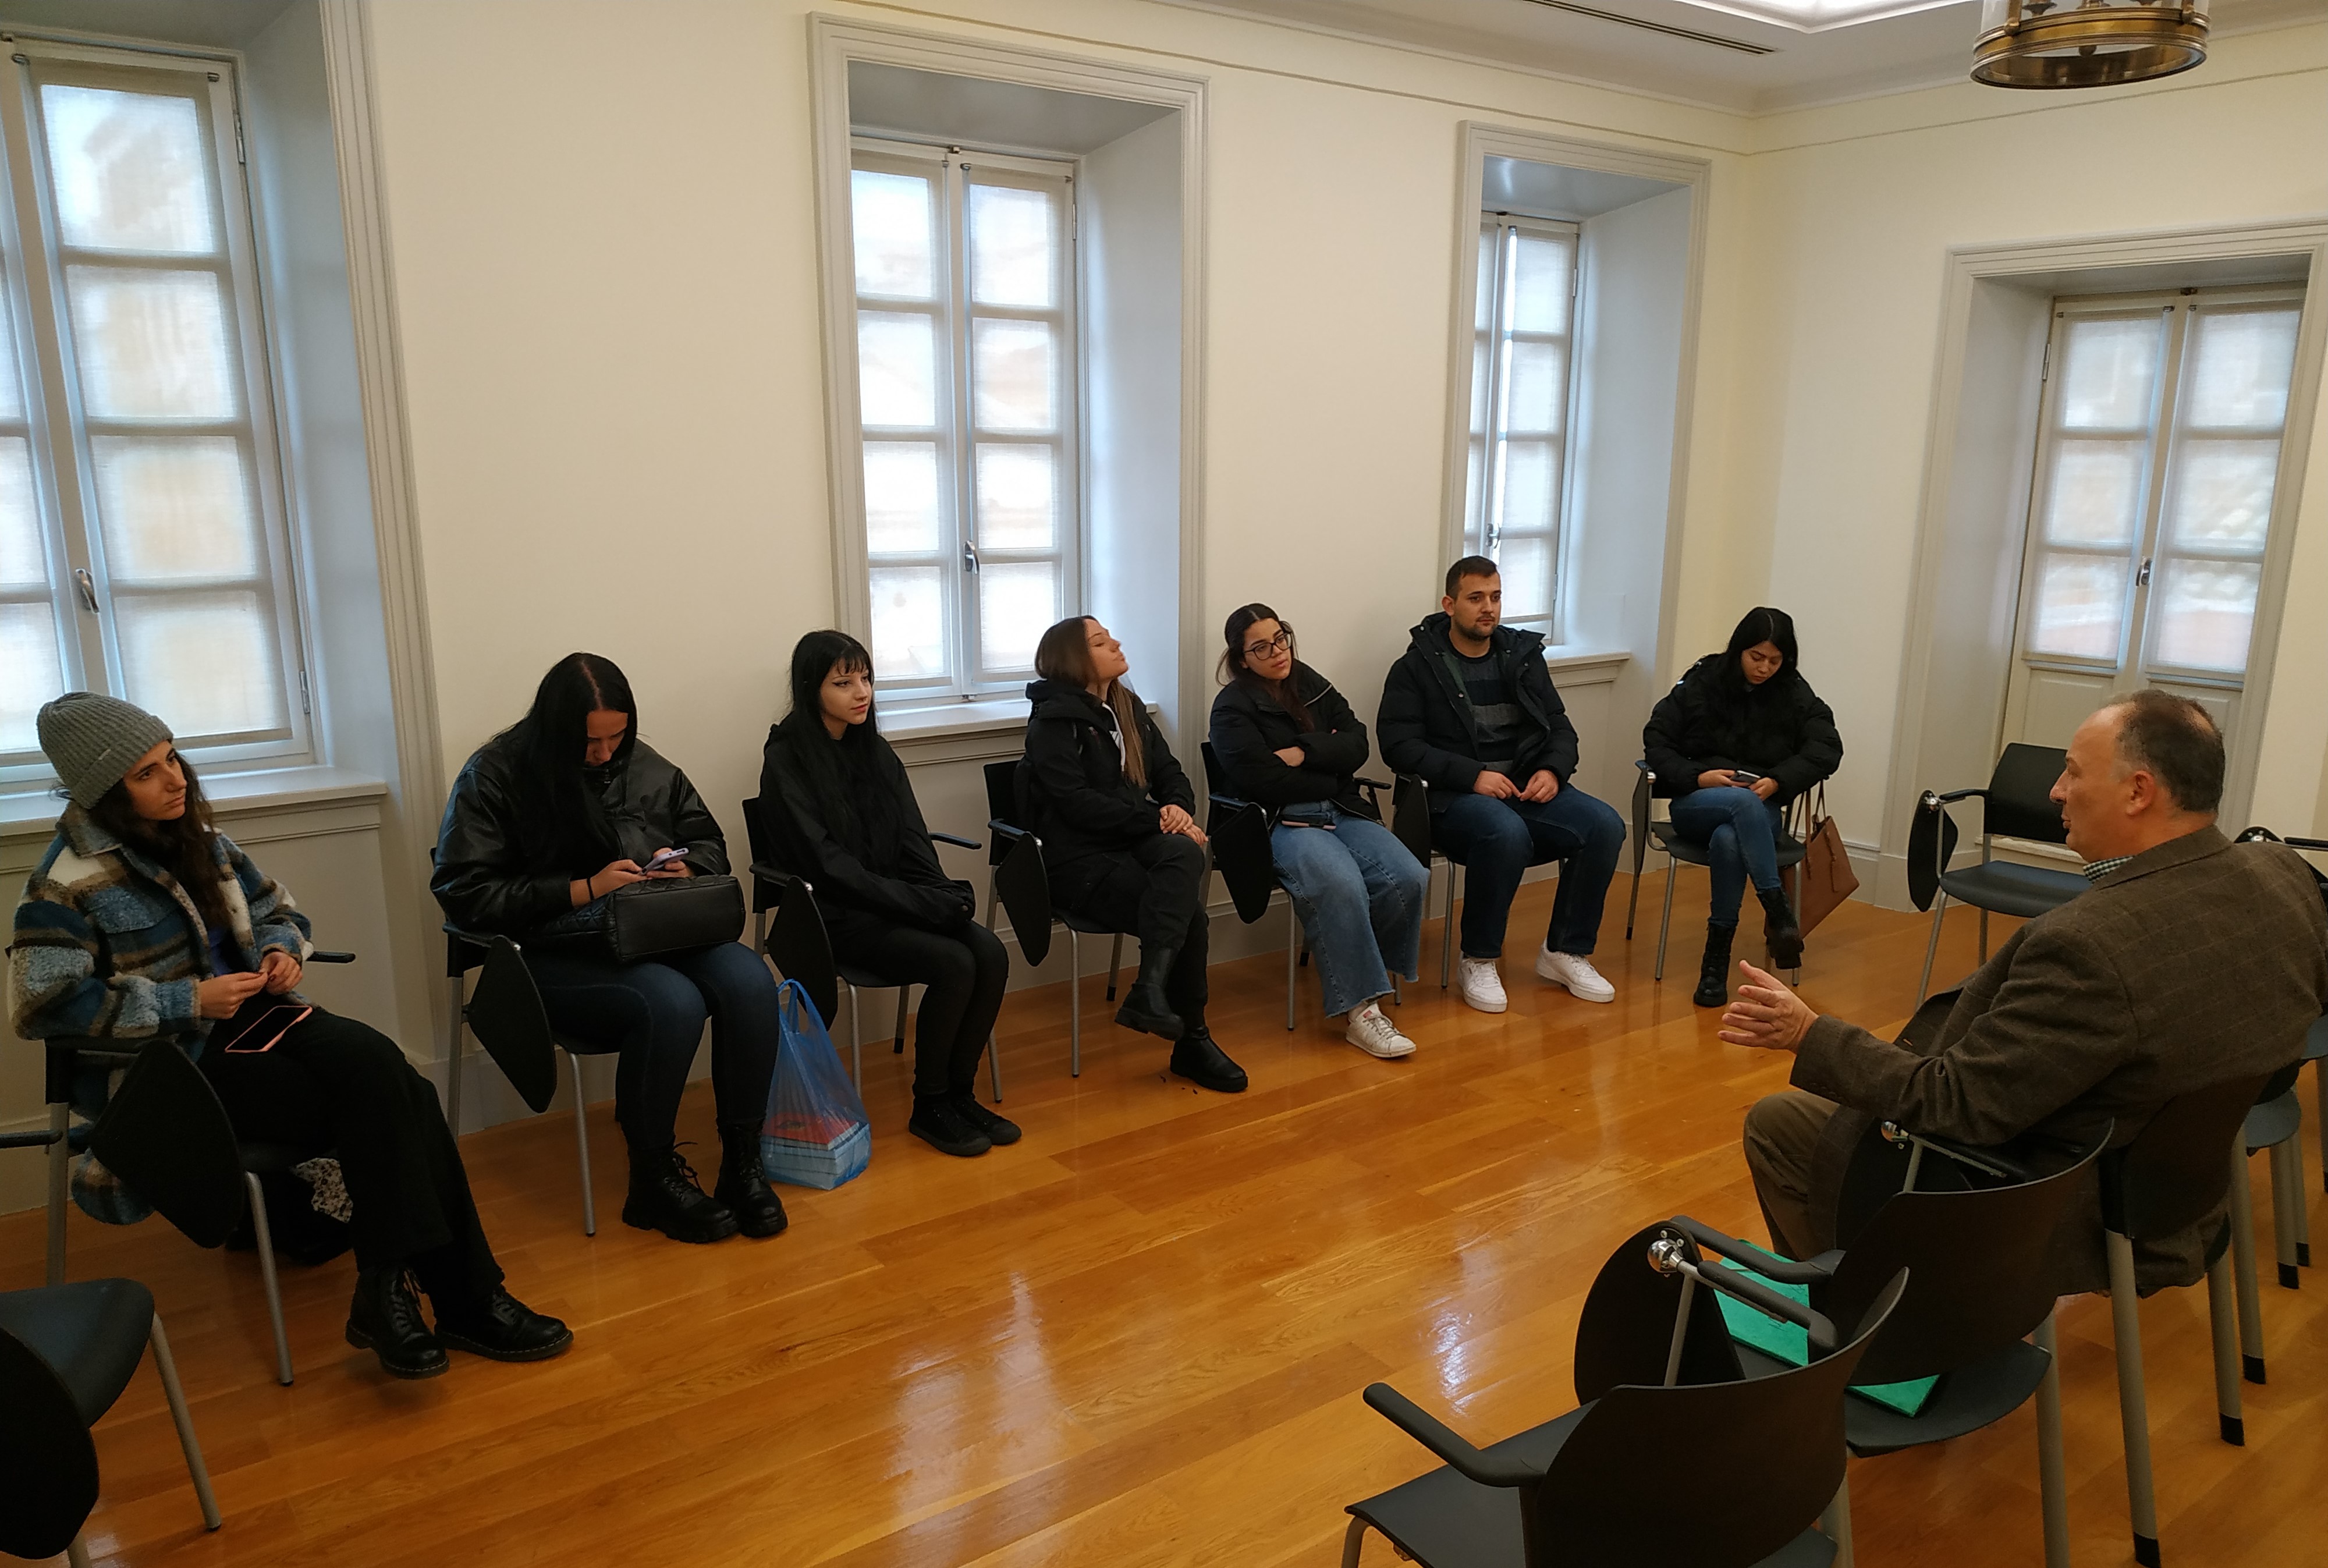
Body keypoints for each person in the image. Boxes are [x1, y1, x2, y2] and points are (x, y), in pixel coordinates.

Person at [10, 694, 570, 1379]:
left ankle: (391, 1292)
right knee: (403, 1095)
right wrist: (188, 999)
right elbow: (47, 1005)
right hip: (175, 1065)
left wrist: (284, 953)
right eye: (147, 774)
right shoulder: (62, 885)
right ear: (104, 795)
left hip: (261, 1022)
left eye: (171, 759)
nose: (176, 779)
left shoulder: (202, 841)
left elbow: (278, 909)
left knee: (385, 1072)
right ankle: (464, 1299)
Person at [1725, 691, 2328, 1294]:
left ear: (2138, 791)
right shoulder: (2283, 875)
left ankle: (1871, 1330)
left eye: (2073, 771)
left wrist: (1808, 1033)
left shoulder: (2091, 947)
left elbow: (1958, 1104)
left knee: (1781, 1125)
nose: (2055, 791)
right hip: (2185, 1190)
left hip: (2056, 1202)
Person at [433, 652, 788, 1246]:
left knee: (750, 980)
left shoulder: (643, 765)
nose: (603, 754)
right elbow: (464, 893)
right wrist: (585, 888)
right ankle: (652, 1181)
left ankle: (742, 1163)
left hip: (653, 932)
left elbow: (707, 839)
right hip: (549, 953)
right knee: (670, 1002)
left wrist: (688, 868)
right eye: (588, 742)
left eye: (616, 738)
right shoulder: (494, 774)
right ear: (554, 728)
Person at [760, 631, 1016, 1158]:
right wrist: (920, 904)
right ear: (813, 688)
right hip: (835, 916)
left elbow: (911, 838)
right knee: (953, 963)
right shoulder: (786, 761)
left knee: (989, 951)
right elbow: (827, 866)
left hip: (895, 902)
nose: (862, 692)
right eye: (844, 682)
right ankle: (931, 1104)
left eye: (867, 678)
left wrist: (939, 894)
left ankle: (960, 1096)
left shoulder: (874, 750)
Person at [1376, 557, 1627, 1015]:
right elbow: (1399, 746)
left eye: (1495, 597)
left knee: (1605, 825)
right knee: (1504, 832)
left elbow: (1560, 728)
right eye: (1476, 599)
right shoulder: (1416, 668)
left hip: (1524, 789)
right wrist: (1472, 775)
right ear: (1450, 604)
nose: (1488, 609)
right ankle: (1479, 957)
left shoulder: (1522, 658)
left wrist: (1552, 771)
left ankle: (1565, 950)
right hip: (1450, 800)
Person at [1023, 616, 1248, 1093]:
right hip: (1076, 863)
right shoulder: (1053, 724)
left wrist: (1179, 810)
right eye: (1101, 642)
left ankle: (1151, 991)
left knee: (1185, 855)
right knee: (1191, 916)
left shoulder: (1127, 707)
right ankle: (1190, 1038)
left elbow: (1171, 772)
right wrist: (1157, 821)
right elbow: (1076, 805)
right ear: (1074, 660)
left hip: (1129, 845)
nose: (1117, 643)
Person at [1210, 604, 1428, 1059]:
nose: (1277, 652)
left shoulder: (1310, 682)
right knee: (1340, 883)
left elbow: (1357, 742)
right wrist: (1330, 767)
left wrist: (1303, 752)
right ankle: (1362, 1013)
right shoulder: (1231, 708)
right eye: (1261, 647)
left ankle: (1365, 978)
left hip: (1342, 809)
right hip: (1279, 820)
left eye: (1281, 638)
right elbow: (1261, 779)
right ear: (1242, 658)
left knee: (1410, 875)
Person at [1642, 606, 1843, 1008]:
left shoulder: (1793, 691)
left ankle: (1715, 961)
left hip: (1759, 808)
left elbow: (1827, 746)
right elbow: (1657, 737)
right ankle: (1779, 913)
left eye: (1775, 660)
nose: (1765, 668)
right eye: (1756, 657)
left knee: (1730, 838)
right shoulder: (1703, 680)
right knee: (1734, 808)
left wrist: (1779, 781)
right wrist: (1698, 778)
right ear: (1739, 650)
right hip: (1696, 802)